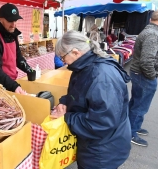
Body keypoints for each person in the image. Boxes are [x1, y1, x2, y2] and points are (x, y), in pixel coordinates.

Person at [52, 30, 131, 169]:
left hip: (102, 151)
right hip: (95, 145)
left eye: (62, 57)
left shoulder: (102, 76)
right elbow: (78, 93)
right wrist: (65, 101)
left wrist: (67, 118)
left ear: (76, 52)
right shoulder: (84, 66)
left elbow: (101, 123)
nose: (62, 61)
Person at [0, 3, 33, 94]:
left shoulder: (12, 34)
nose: (14, 25)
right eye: (10, 21)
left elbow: (18, 58)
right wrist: (14, 86)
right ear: (1, 19)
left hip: (9, 84)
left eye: (15, 20)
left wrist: (30, 70)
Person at [128, 10, 158, 147]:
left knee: (136, 103)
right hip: (143, 75)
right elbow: (146, 61)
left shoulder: (149, 31)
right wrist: (152, 77)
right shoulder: (153, 34)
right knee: (140, 106)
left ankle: (133, 127)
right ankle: (131, 132)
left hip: (139, 74)